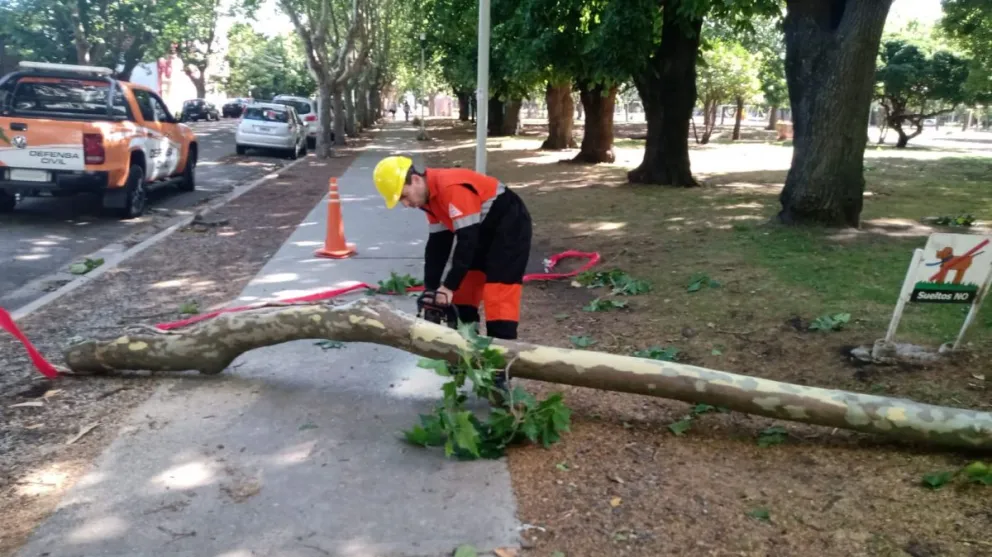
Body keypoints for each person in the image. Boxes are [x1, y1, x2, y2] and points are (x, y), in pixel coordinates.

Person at [372, 155, 533, 392]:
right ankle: (467, 351)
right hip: (480, 230)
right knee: (464, 293)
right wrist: (431, 288)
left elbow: (466, 242)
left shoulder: (450, 188)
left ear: (415, 180)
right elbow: (438, 244)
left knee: (498, 294)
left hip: (509, 226)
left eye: (404, 196)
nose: (406, 204)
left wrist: (447, 286)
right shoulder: (429, 200)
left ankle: (501, 365)